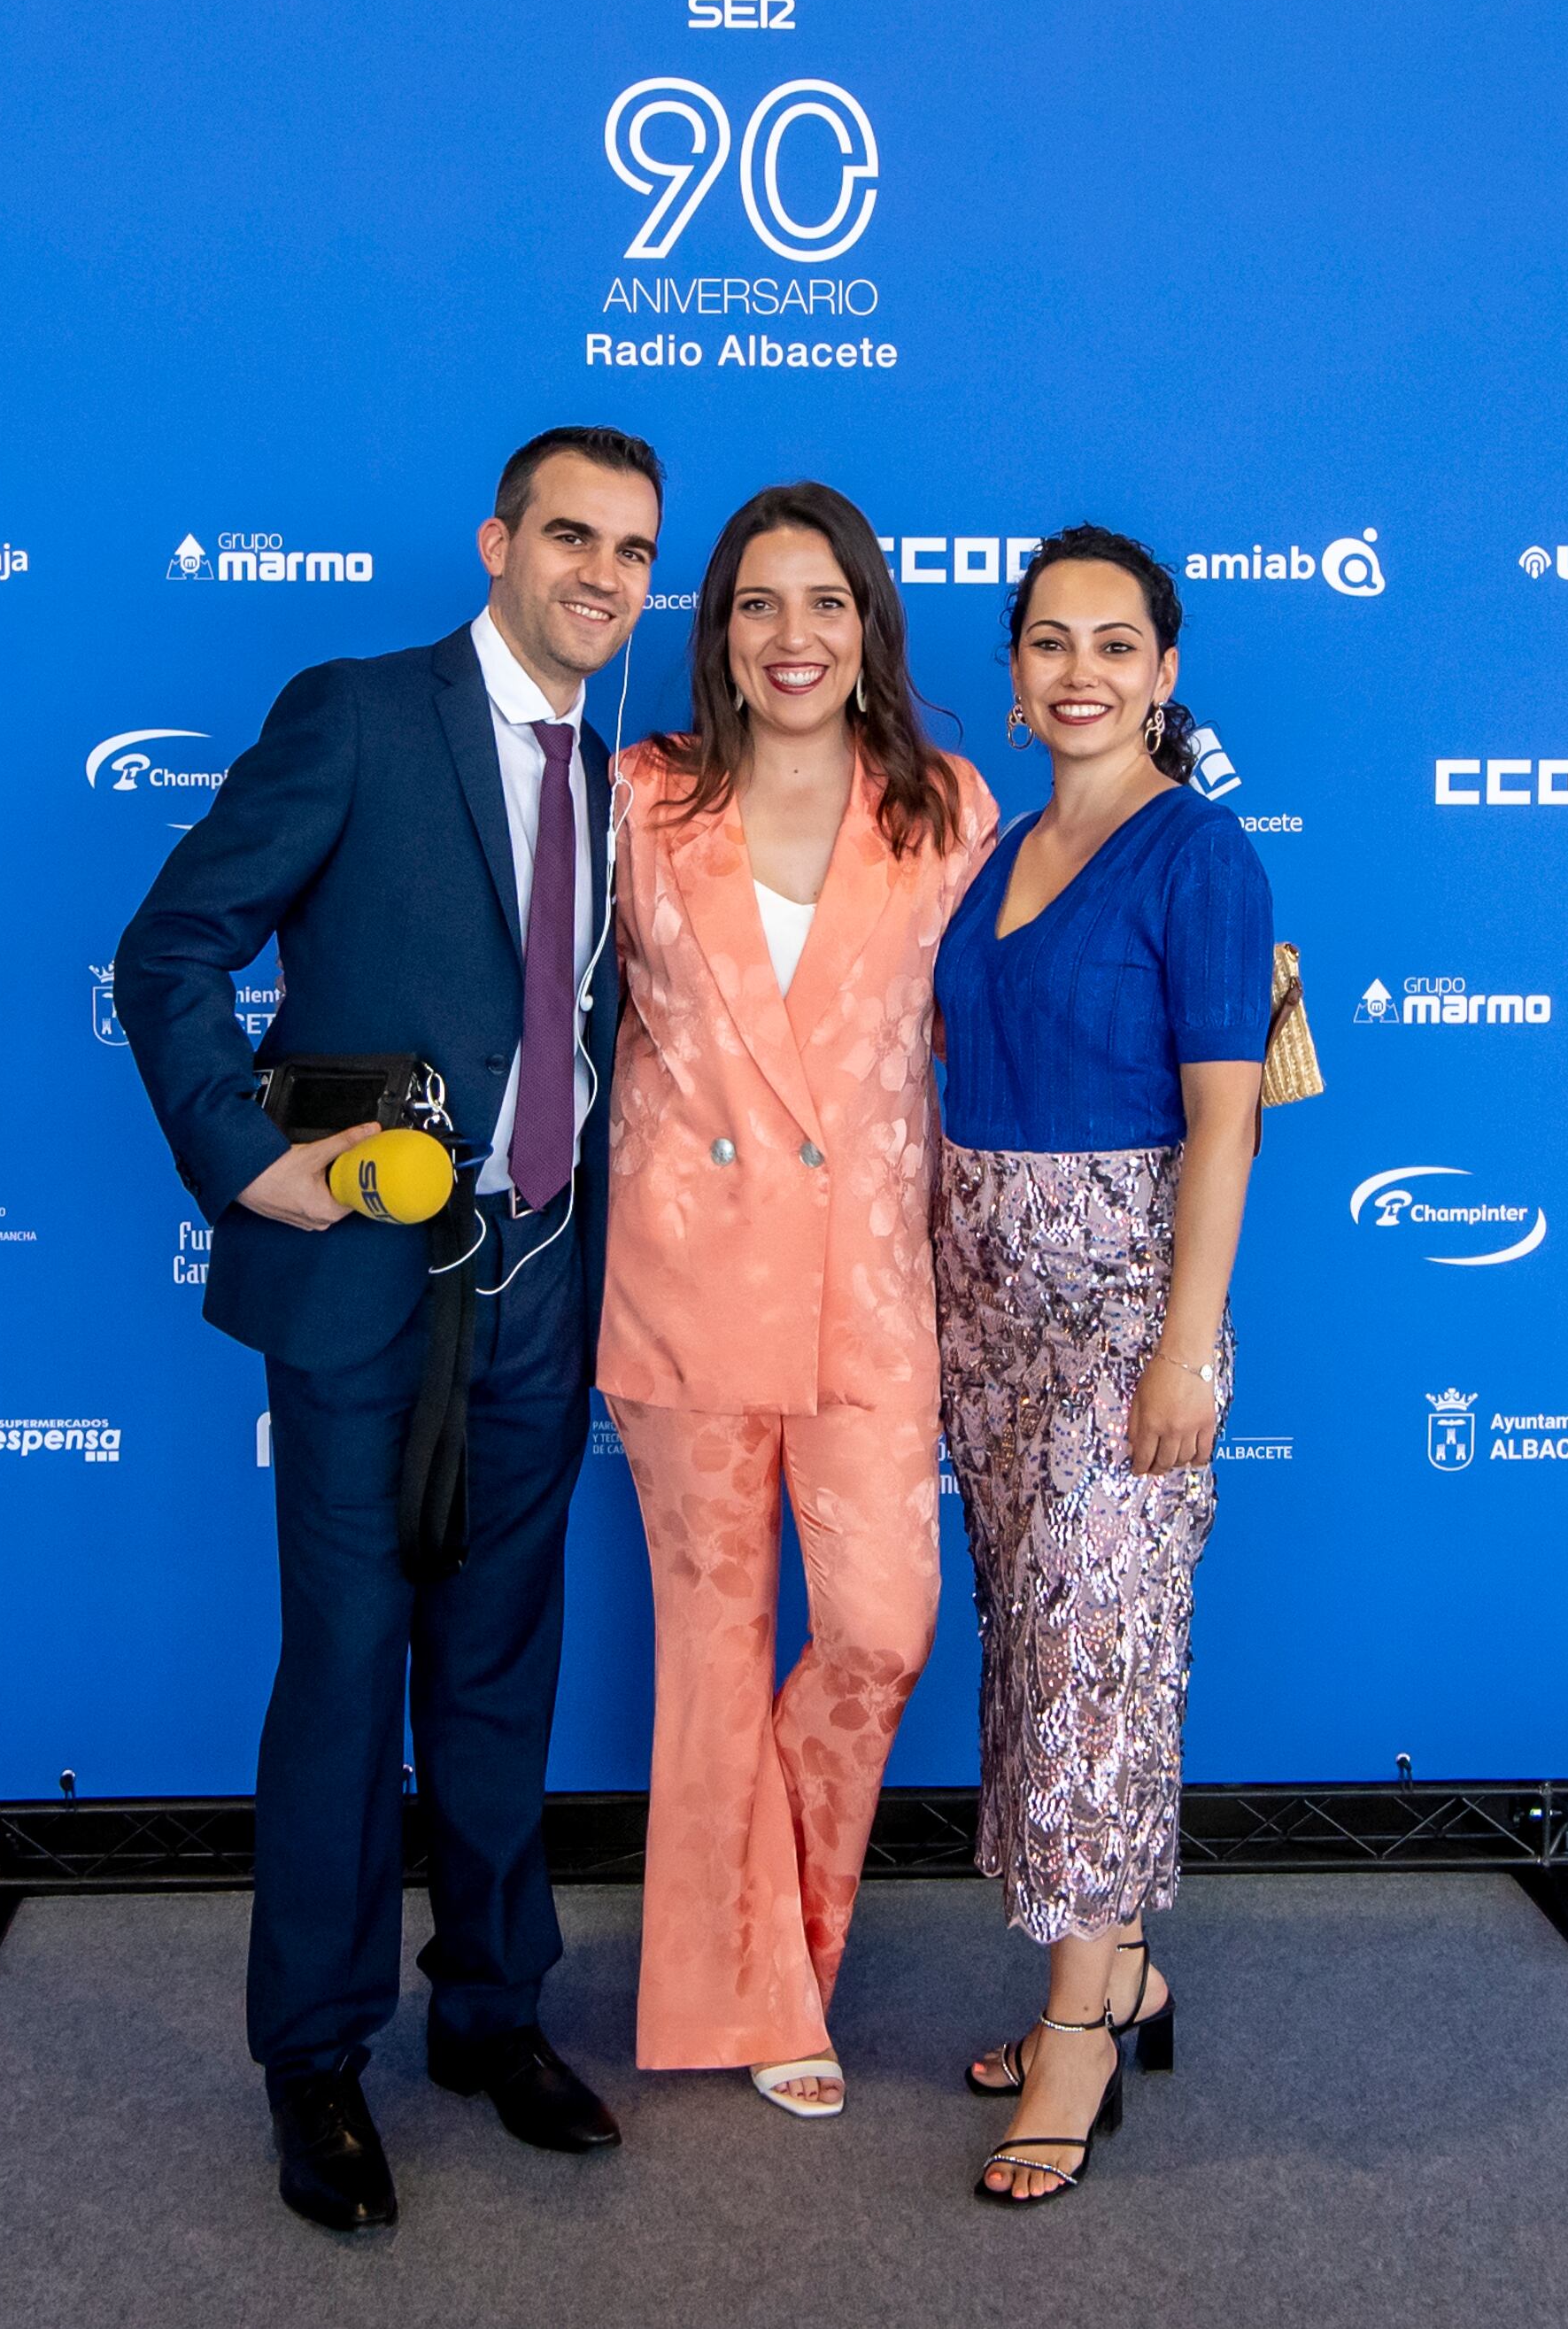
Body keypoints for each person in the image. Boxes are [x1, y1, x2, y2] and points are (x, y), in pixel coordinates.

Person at [113, 426, 660, 2234]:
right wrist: (249, 1159)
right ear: (498, 541)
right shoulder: (357, 710)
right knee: (347, 1669)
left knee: (502, 1664)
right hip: (360, 1292)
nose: (600, 570)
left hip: (542, 1285)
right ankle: (318, 2058)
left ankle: (490, 2012)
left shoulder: (625, 775)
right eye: (568, 533)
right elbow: (170, 943)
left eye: (633, 548)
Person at [598, 483, 999, 2118]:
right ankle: (747, 1997)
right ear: (716, 631)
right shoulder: (640, 797)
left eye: (823, 603)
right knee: (708, 1649)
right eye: (758, 604)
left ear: (868, 626)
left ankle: (782, 1938)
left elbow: (1011, 1001)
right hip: (683, 1281)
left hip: (869, 1292)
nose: (791, 637)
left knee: (880, 1626)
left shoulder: (946, 808)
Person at [930, 523, 1271, 2205]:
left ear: (1165, 669)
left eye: (1113, 643)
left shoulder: (1199, 856)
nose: (1079, 672)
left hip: (1127, 1307)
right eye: (1048, 643)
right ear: (1010, 677)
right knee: (1040, 1647)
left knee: (1096, 1658)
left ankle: (1079, 2035)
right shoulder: (992, 848)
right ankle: (1117, 1963)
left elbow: (1223, 1123)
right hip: (976, 1307)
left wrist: (1186, 1348)